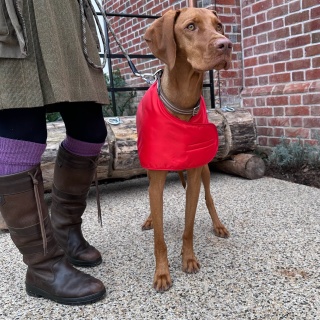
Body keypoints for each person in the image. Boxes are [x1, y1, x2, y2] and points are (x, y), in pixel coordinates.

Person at [0, 0, 109, 305]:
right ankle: (43, 268)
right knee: (19, 127)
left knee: (91, 131)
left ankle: (64, 227)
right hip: (15, 11)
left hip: (65, 15)